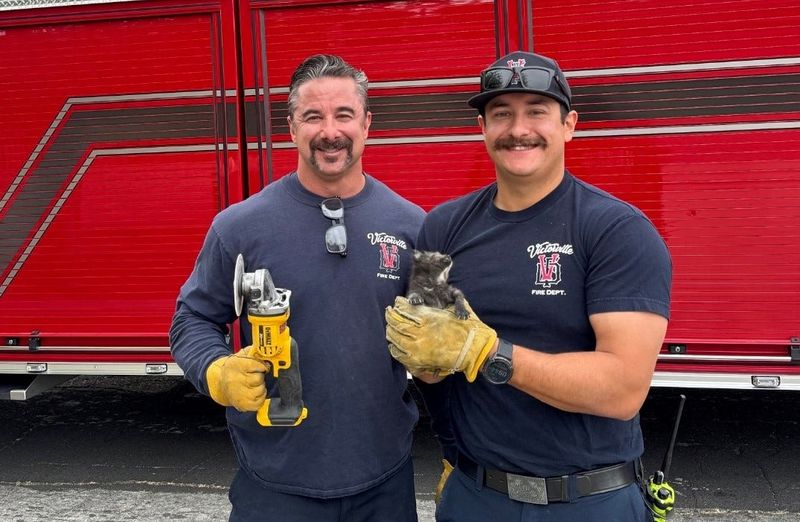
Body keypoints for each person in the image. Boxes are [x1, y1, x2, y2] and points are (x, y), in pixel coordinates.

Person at [385, 50, 672, 522]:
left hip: (588, 503)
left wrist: (487, 354)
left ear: (569, 124)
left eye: (537, 111)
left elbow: (623, 389)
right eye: (502, 114)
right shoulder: (440, 230)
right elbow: (431, 368)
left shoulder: (617, 230)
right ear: (483, 128)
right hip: (475, 496)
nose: (519, 129)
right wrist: (422, 352)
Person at [170, 54, 424, 522]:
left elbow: (438, 351)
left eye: (344, 114)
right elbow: (193, 318)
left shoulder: (412, 227)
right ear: (291, 128)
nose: (330, 131)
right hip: (274, 484)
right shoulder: (240, 228)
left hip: (383, 482)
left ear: (367, 124)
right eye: (313, 116)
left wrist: (459, 448)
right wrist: (214, 369)